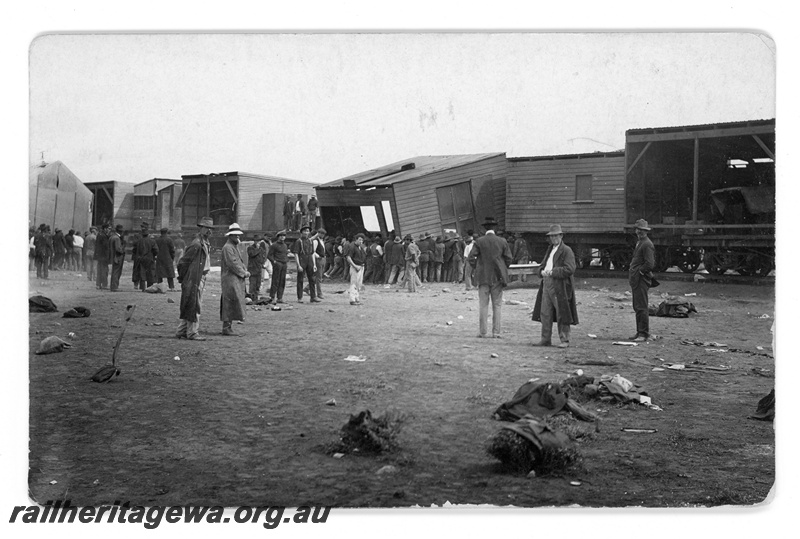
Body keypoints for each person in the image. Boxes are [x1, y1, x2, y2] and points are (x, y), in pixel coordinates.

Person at [531, 225, 579, 348]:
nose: (553, 238)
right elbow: (543, 265)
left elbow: (570, 269)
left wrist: (553, 272)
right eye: (551, 236)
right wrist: (541, 271)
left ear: (561, 236)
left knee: (562, 312)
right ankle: (545, 339)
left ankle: (565, 340)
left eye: (556, 235)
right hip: (547, 283)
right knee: (545, 312)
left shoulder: (567, 250)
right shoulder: (550, 249)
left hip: (560, 285)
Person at [467, 217, 512, 338]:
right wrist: (502, 267)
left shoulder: (479, 241)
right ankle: (496, 332)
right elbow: (509, 258)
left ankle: (483, 332)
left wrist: (478, 267)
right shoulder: (502, 241)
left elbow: (471, 258)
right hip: (498, 277)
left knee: (483, 305)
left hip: (483, 277)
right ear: (495, 228)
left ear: (485, 228)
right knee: (497, 305)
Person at [175, 217, 214, 340]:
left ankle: (181, 331)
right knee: (195, 305)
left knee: (190, 304)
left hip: (199, 277)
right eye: (206, 228)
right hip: (194, 278)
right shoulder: (197, 244)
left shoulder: (204, 243)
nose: (209, 231)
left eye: (210, 229)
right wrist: (183, 278)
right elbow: (183, 262)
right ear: (201, 228)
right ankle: (192, 333)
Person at [219, 223, 249, 336]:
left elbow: (238, 262)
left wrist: (244, 270)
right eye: (236, 236)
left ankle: (228, 326)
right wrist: (243, 273)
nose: (238, 238)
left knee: (233, 302)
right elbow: (232, 263)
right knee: (229, 302)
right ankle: (226, 327)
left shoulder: (233, 247)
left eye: (238, 236)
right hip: (230, 279)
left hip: (234, 279)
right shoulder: (228, 248)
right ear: (230, 236)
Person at [629, 219, 656, 342]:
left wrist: (639, 271)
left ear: (646, 232)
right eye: (638, 229)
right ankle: (640, 332)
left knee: (641, 307)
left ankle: (643, 334)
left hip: (641, 279)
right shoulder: (641, 242)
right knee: (638, 306)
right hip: (637, 279)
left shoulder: (646, 244)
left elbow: (650, 264)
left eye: (642, 230)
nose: (639, 232)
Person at [291, 225, 320, 303]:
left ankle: (313, 297)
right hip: (302, 261)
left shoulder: (310, 241)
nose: (306, 233)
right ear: (301, 232)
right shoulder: (298, 241)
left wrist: (314, 264)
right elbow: (296, 254)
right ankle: (299, 297)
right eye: (305, 231)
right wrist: (298, 265)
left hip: (309, 260)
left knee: (312, 279)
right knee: (300, 280)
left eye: (308, 231)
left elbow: (312, 253)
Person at [132, 223, 159, 291]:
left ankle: (142, 287)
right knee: (150, 272)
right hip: (149, 258)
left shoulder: (138, 241)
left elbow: (134, 250)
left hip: (141, 258)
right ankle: (149, 287)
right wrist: (153, 255)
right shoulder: (152, 241)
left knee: (142, 273)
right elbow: (156, 250)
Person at [267, 230, 289, 303]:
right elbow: (269, 255)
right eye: (281, 236)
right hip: (278, 264)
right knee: (275, 280)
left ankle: (280, 297)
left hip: (284, 264)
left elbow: (285, 254)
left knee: (282, 281)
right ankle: (272, 297)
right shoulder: (274, 245)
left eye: (284, 236)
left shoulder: (285, 245)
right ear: (278, 237)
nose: (282, 237)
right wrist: (274, 262)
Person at [345, 233, 367, 305]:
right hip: (355, 266)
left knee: (359, 284)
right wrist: (354, 266)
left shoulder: (360, 247)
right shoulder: (352, 246)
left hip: (361, 266)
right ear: (356, 239)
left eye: (362, 240)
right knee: (353, 283)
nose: (361, 242)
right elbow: (348, 257)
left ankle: (357, 298)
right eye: (359, 240)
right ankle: (352, 299)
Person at [247, 233, 267, 298]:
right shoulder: (250, 248)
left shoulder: (261, 249)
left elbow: (263, 257)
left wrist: (263, 263)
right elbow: (252, 254)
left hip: (258, 269)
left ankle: (255, 298)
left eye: (259, 241)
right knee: (252, 284)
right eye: (256, 241)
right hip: (252, 269)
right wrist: (258, 249)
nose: (258, 242)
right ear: (254, 241)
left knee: (258, 285)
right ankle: (251, 298)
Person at [311, 228, 327, 299]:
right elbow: (313, 251)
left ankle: (307, 288)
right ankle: (319, 293)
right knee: (319, 277)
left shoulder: (322, 241)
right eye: (321, 233)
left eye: (323, 234)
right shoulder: (315, 241)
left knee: (319, 276)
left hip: (323, 259)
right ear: (318, 233)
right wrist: (317, 256)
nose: (322, 235)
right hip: (318, 260)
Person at [109, 224, 126, 291]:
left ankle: (113, 286)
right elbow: (118, 249)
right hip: (117, 257)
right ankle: (114, 286)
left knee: (114, 272)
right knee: (116, 272)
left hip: (113, 257)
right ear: (120, 231)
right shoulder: (117, 238)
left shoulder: (112, 237)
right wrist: (123, 248)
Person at [94, 223, 111, 289]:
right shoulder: (104, 236)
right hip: (104, 256)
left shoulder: (100, 235)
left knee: (99, 270)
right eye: (109, 228)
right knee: (104, 271)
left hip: (100, 256)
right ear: (105, 229)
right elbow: (106, 246)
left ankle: (98, 284)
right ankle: (104, 284)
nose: (109, 230)